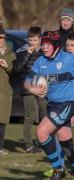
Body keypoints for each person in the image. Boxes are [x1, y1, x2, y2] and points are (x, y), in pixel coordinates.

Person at [24, 31, 74, 180]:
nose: (44, 47)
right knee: (65, 141)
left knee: (41, 132)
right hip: (52, 104)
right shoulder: (40, 61)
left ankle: (58, 168)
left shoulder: (68, 59)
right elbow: (28, 79)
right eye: (43, 44)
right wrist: (31, 88)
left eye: (47, 44)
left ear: (56, 46)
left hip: (67, 103)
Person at [13, 26, 47, 153]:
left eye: (35, 40)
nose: (32, 43)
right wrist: (27, 54)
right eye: (30, 40)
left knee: (45, 115)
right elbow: (17, 69)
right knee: (29, 116)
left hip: (43, 88)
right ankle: (28, 145)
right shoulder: (22, 51)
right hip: (28, 89)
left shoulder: (45, 53)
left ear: (40, 40)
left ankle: (43, 141)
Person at [0, 25, 16, 155]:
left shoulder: (11, 54)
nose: (0, 40)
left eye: (1, 37)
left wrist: (7, 67)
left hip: (5, 92)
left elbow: (16, 73)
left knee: (2, 121)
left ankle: (0, 146)